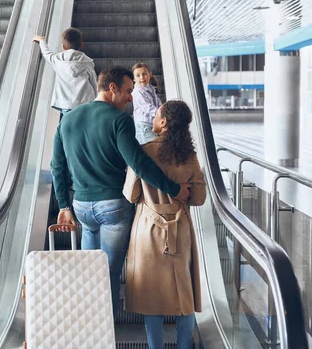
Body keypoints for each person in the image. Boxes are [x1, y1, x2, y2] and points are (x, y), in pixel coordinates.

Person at [50, 66, 190, 314]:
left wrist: (64, 205)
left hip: (81, 207)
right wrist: (173, 189)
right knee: (110, 274)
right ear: (111, 87)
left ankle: (90, 326)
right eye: (127, 91)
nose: (130, 98)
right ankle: (108, 331)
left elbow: (57, 166)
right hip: (113, 206)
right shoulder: (120, 120)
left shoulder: (68, 119)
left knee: (89, 271)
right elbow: (138, 162)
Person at [123, 100, 207, 349]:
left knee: (151, 296)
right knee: (184, 295)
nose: (153, 118)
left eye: (157, 115)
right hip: (179, 228)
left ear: (164, 122)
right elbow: (199, 199)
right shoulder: (189, 156)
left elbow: (131, 194)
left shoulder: (145, 151)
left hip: (148, 229)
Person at [33, 28, 97, 114]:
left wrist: (42, 41)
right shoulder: (88, 62)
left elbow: (46, 53)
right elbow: (94, 82)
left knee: (69, 125)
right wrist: (97, 100)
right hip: (85, 103)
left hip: (67, 104)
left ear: (63, 47)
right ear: (81, 44)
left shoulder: (58, 60)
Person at [132, 63, 162, 144]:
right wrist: (163, 114)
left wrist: (163, 110)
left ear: (150, 74)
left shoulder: (152, 89)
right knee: (151, 151)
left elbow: (158, 104)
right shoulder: (137, 92)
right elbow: (148, 108)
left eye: (144, 74)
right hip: (143, 127)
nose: (142, 77)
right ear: (134, 79)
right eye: (138, 75)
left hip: (153, 125)